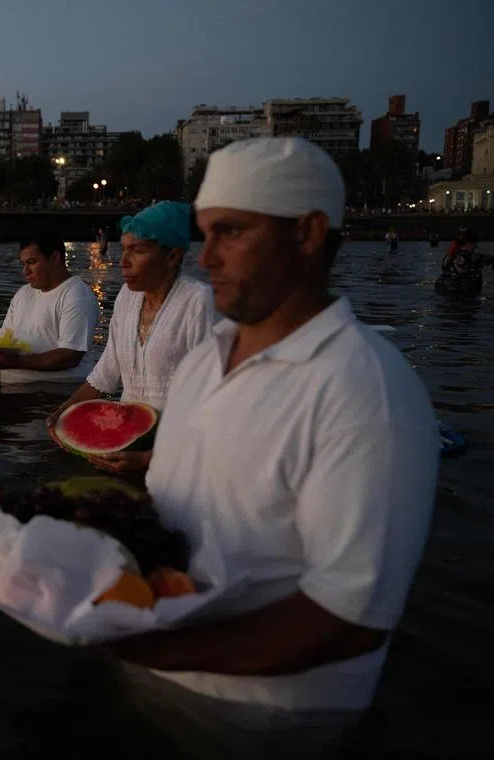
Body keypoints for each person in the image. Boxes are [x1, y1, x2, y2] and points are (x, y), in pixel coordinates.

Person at [104, 137, 439, 758]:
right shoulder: (206, 359)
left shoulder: (365, 391)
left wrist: (156, 648)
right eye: (204, 233)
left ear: (309, 233)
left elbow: (348, 621)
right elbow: (180, 501)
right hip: (150, 676)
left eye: (231, 231)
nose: (207, 258)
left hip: (268, 722)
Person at [46, 202, 216, 474]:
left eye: (137, 251)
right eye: (123, 248)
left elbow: (213, 399)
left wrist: (151, 459)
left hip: (179, 449)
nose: (123, 261)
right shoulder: (127, 297)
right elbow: (107, 372)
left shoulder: (199, 302)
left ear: (172, 256)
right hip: (124, 441)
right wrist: (64, 412)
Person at [0, 230, 99, 385]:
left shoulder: (76, 294)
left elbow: (70, 356)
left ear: (54, 258)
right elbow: (2, 342)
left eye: (32, 262)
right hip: (11, 389)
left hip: (55, 392)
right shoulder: (23, 293)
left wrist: (14, 362)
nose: (25, 271)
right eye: (24, 263)